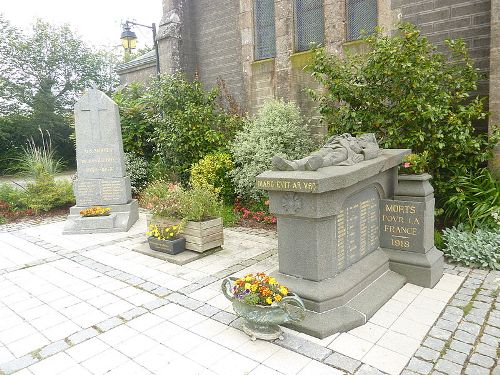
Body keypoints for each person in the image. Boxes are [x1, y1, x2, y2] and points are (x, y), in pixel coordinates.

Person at [272, 133, 380, 171]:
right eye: (365, 135)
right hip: (333, 145)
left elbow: (373, 152)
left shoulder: (369, 144)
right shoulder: (350, 137)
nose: (365, 136)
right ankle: (293, 164)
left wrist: (361, 154)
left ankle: (314, 165)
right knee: (317, 154)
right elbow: (333, 139)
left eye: (368, 136)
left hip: (345, 151)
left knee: (332, 158)